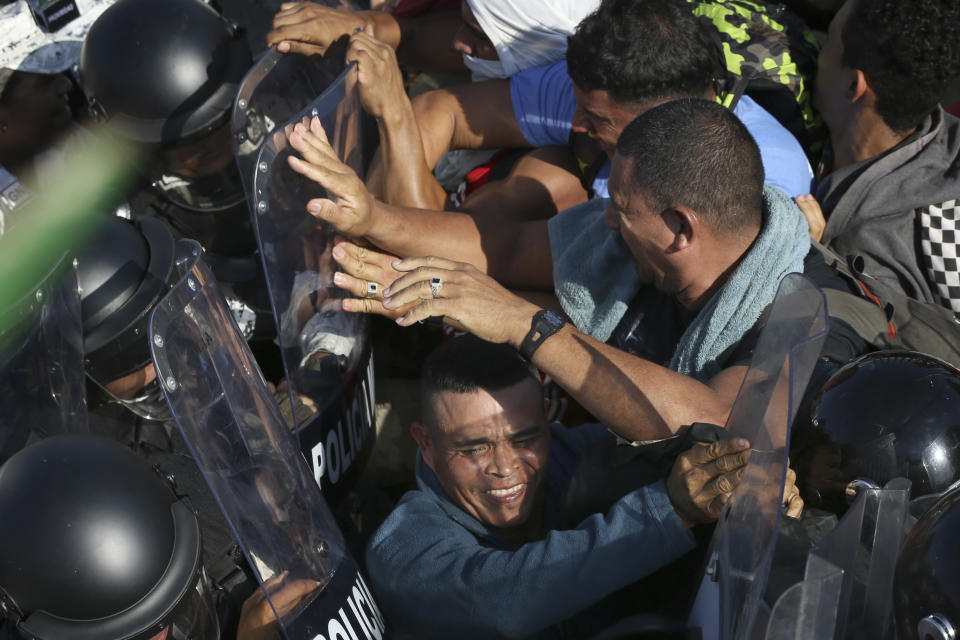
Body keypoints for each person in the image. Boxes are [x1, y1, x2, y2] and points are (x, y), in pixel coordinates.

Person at [287, 99, 868, 443]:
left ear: (681, 228)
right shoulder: (650, 236)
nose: (607, 223)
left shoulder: (811, 316)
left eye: (621, 209)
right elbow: (508, 246)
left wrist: (524, 323)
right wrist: (371, 214)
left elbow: (719, 422)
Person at [366, 335, 803, 638]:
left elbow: (674, 447)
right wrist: (669, 509)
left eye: (525, 439)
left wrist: (748, 475)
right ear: (425, 443)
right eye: (474, 450)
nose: (505, 468)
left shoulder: (572, 454)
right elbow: (503, 601)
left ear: (548, 424)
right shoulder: (403, 550)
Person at [369, 0, 815, 214]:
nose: (578, 126)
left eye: (599, 120)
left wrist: (392, 118)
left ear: (661, 117)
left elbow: (490, 257)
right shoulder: (610, 81)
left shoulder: (763, 179)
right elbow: (440, 111)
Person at [794, 0, 960, 314]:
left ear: (853, 85)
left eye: (827, 40)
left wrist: (806, 256)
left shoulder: (863, 256)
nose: (814, 46)